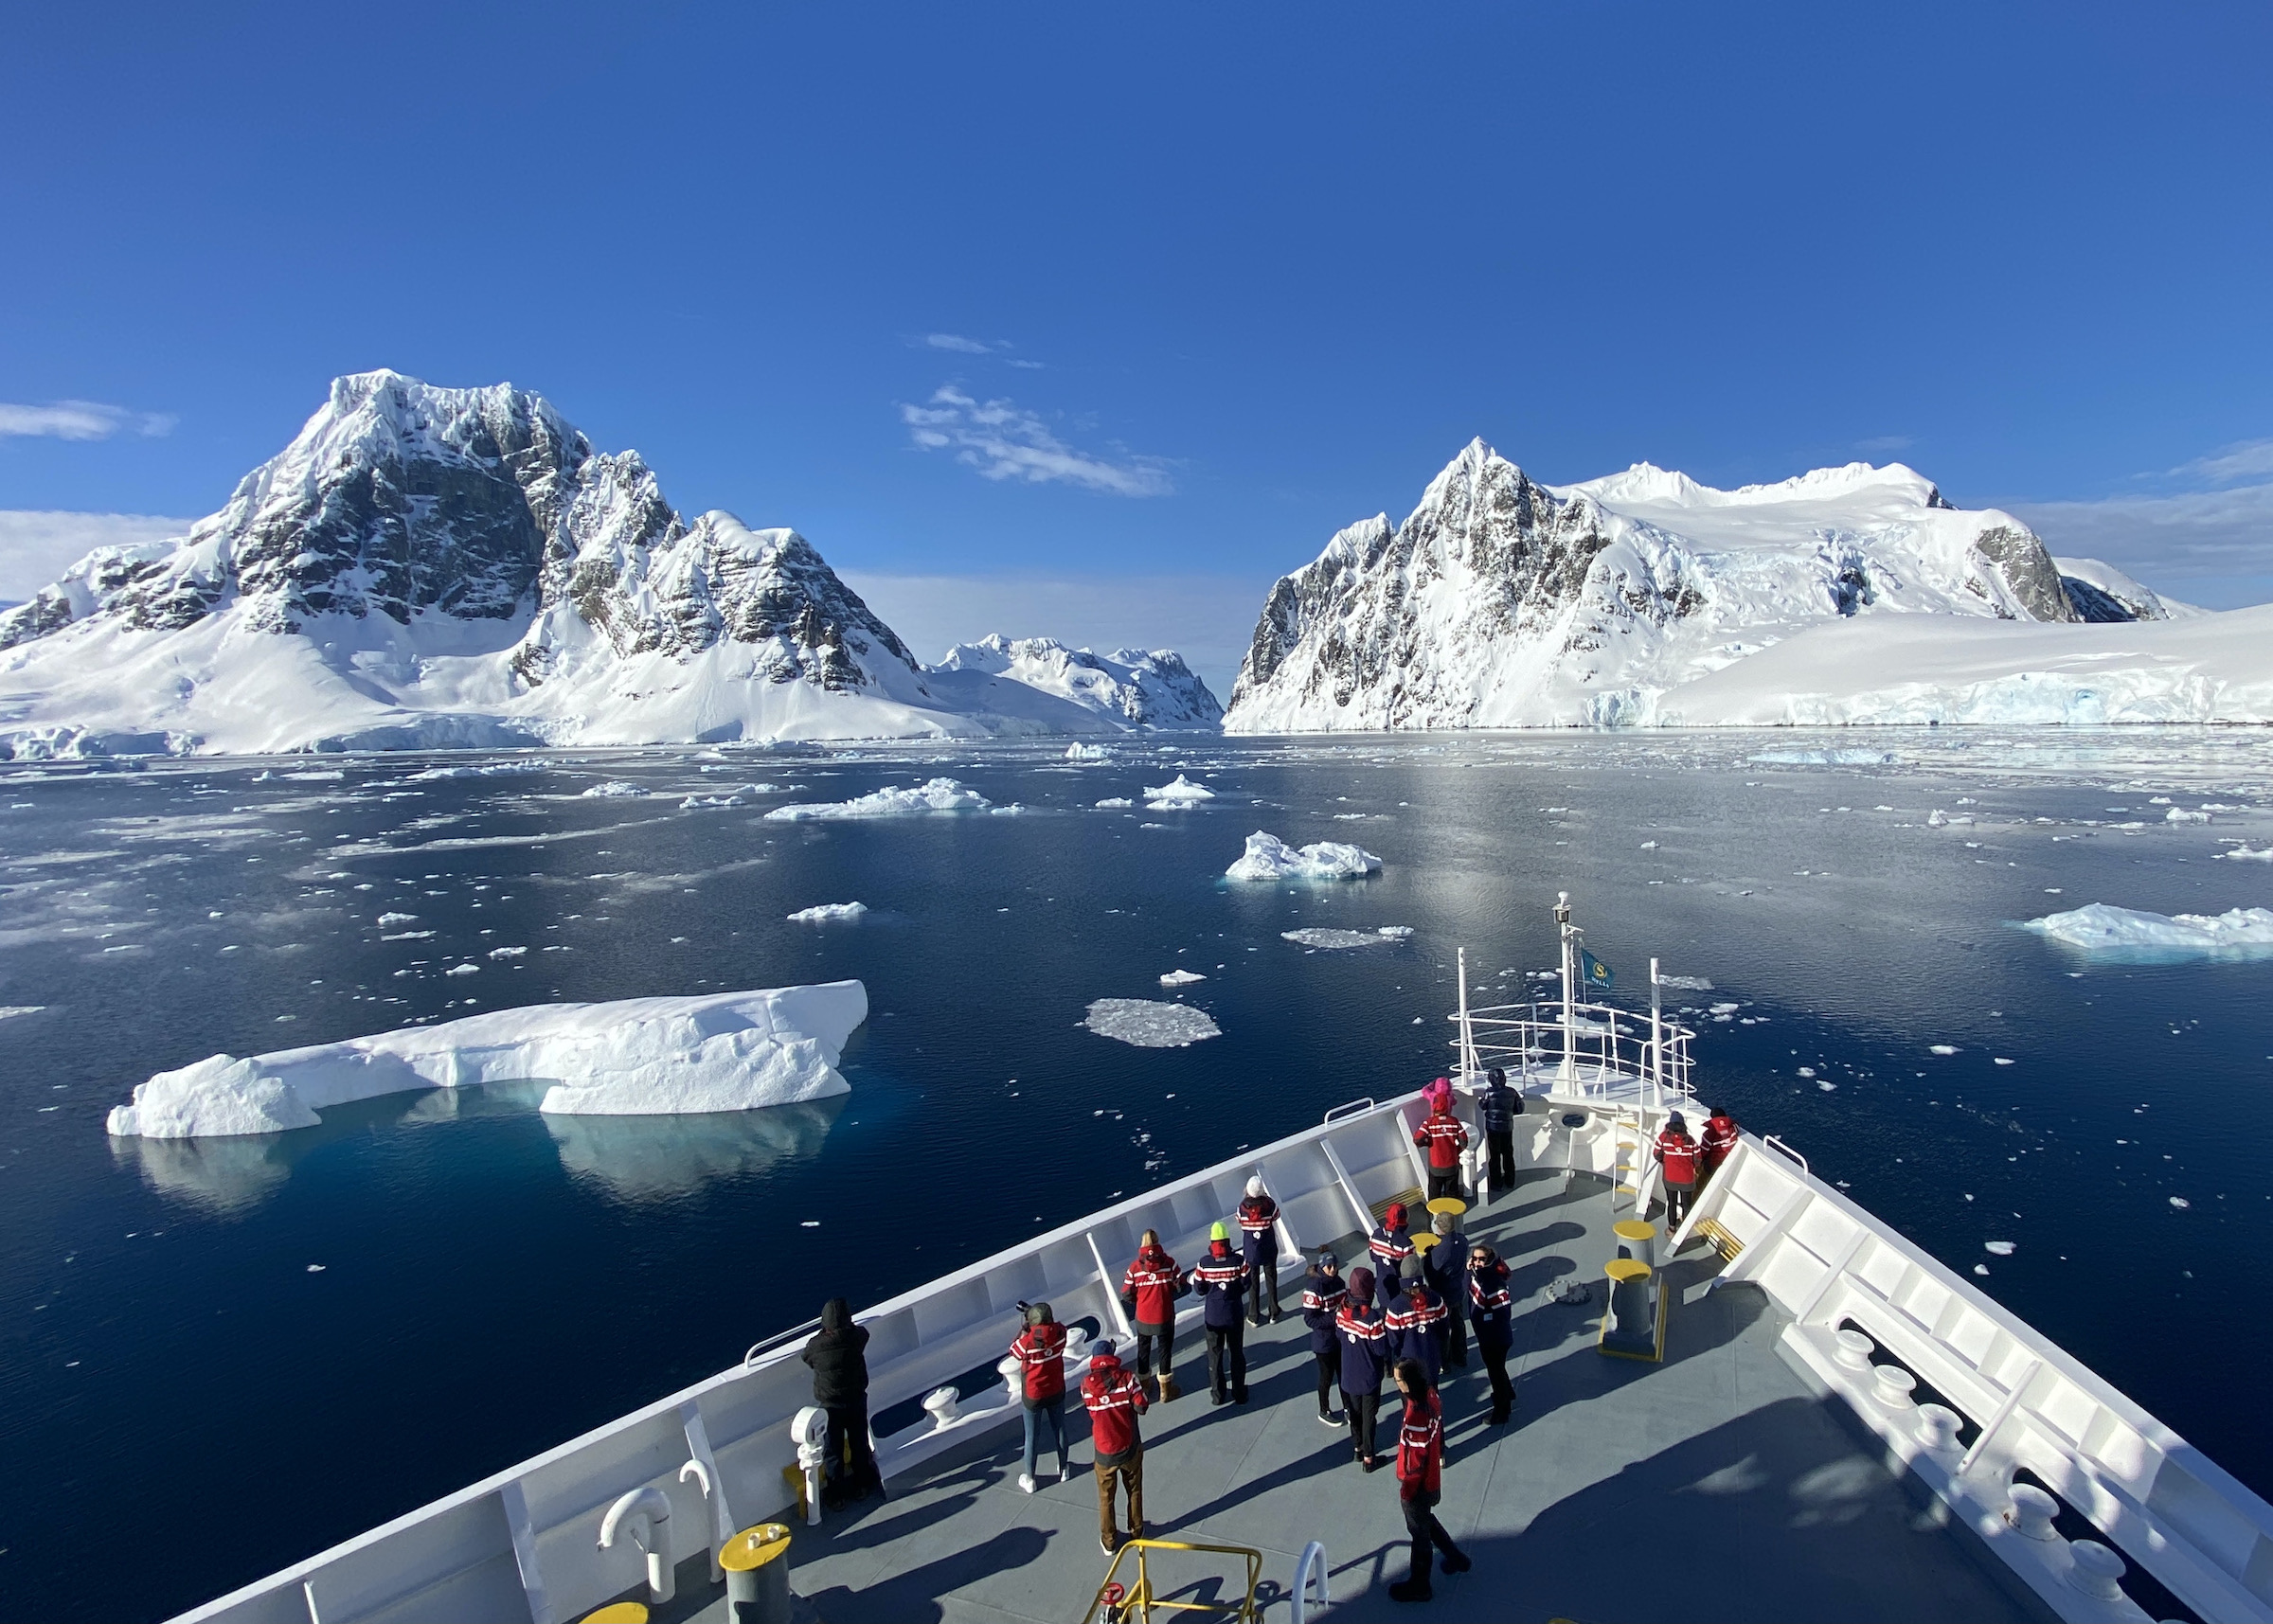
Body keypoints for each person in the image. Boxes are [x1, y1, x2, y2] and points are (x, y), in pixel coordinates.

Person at [1388, 1358, 1471, 1602]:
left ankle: (1420, 1585)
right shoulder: (1432, 1397)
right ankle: (1457, 1559)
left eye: (1399, 1380)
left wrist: (1407, 1491)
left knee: (1420, 1535)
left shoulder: (1415, 1417)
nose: (1396, 1384)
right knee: (1427, 1522)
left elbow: (1415, 1463)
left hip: (1418, 1487)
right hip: (1433, 1480)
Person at [801, 1296, 882, 1507]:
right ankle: (862, 1485)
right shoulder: (856, 1337)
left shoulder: (817, 1345)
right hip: (856, 1399)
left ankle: (836, 1496)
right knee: (859, 1443)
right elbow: (864, 1333)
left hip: (830, 1407)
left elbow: (806, 1357)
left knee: (833, 1450)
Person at [1081, 1337, 1149, 1555]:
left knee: (1105, 1498)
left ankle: (1109, 1541)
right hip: (1128, 1446)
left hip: (1104, 1451)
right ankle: (1136, 1531)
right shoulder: (1127, 1378)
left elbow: (1092, 1410)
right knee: (1134, 1490)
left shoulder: (1086, 1385)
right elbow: (1142, 1406)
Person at [1009, 1301, 1070, 1493]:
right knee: (1059, 1429)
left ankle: (1030, 1478)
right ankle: (1064, 1468)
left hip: (1034, 1394)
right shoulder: (1061, 1334)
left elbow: (1013, 1350)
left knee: (1032, 1436)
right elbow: (1056, 1329)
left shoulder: (1028, 1343)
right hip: (1056, 1389)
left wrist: (1025, 1329)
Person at [1187, 1221, 1250, 1404]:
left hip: (1213, 1317)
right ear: (1228, 1240)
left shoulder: (1204, 1263)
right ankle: (1239, 1393)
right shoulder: (1238, 1261)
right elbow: (1246, 1284)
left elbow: (1199, 1288)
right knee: (1236, 1353)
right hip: (1233, 1314)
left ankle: (1218, 1395)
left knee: (1215, 1356)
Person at [1335, 1265, 1389, 1471]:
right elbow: (1380, 1349)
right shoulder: (1373, 1319)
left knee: (1354, 1414)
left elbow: (1340, 1337)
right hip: (1369, 1377)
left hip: (1348, 1375)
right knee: (1369, 1417)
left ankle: (1357, 1448)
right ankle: (1369, 1456)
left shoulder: (1341, 1313)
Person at [1120, 1230, 1181, 1402]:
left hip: (1144, 1317)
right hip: (1164, 1315)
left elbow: (1126, 1293)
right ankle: (1165, 1391)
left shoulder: (1135, 1268)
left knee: (1143, 1350)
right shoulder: (1169, 1263)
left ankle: (1144, 1385)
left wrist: (1137, 1300)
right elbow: (1180, 1284)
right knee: (1165, 1351)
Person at [1468, 1242, 1514, 1424]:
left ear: (1489, 1261)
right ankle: (1508, 1393)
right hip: (1486, 1335)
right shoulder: (1478, 1277)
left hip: (1495, 1338)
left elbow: (1503, 1314)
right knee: (1497, 1368)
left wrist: (1486, 1324)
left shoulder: (1494, 1284)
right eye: (1474, 1258)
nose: (1477, 1262)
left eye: (1481, 1259)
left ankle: (1501, 1412)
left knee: (1495, 1372)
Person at [1301, 1249, 1348, 1425]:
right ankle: (1324, 1409)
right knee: (1326, 1377)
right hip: (1324, 1343)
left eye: (1335, 1266)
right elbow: (1310, 1319)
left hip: (1340, 1338)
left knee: (1344, 1374)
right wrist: (1335, 1318)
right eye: (1328, 1266)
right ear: (1322, 1266)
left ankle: (1348, 1407)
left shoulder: (1340, 1283)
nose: (1332, 1269)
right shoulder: (1314, 1288)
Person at [1421, 1211, 1471, 1369]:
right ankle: (1461, 1356)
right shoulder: (1463, 1241)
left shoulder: (1438, 1251)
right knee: (1458, 1324)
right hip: (1458, 1289)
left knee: (1443, 1330)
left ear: (1439, 1228)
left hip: (1443, 1295)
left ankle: (1445, 1362)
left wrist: (1428, 1256)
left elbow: (1432, 1275)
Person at [1387, 1254, 1444, 1383]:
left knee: (1410, 1398)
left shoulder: (1395, 1307)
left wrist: (1397, 1360)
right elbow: (1443, 1329)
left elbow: (1394, 1341)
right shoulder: (1435, 1299)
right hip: (1431, 1355)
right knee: (1432, 1391)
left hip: (1408, 1361)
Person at [1237, 1176, 1282, 1325]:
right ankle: (1274, 1312)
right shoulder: (1269, 1205)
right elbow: (1276, 1215)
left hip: (1251, 1251)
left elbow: (1239, 1220)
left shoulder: (1242, 1207)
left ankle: (1254, 1315)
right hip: (1268, 1248)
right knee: (1271, 1279)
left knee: (1253, 1282)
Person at [1413, 1086, 1470, 1203]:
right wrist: (1457, 1150)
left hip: (1436, 1166)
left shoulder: (1429, 1123)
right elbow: (1464, 1142)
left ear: (1434, 1106)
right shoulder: (1454, 1122)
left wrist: (1428, 1143)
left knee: (1434, 1195)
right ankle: (1452, 1218)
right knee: (1452, 1195)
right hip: (1452, 1165)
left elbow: (1417, 1139)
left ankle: (1435, 1218)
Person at [1478, 1066, 1521, 1194]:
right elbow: (1519, 1109)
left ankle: (1496, 1184)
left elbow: (1482, 1106)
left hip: (1492, 1127)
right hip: (1507, 1126)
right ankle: (1510, 1181)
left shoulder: (1489, 1092)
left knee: (1495, 1155)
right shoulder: (1512, 1092)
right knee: (1508, 1154)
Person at [1656, 1111, 1701, 1232]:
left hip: (1670, 1178)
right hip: (1687, 1179)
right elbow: (1698, 1159)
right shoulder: (1690, 1140)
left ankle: (1672, 1229)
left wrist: (1665, 1162)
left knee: (1672, 1203)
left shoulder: (1664, 1138)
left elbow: (1656, 1154)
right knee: (1686, 1205)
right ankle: (1684, 1230)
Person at [1369, 1201, 1414, 1280]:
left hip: (1382, 1282)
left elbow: (1373, 1257)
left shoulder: (1375, 1235)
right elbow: (1410, 1269)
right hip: (1399, 1284)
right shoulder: (1406, 1243)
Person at [1699, 1107, 1741, 1188]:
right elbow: (1736, 1125)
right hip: (1726, 1158)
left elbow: (1703, 1151)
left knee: (1702, 1175)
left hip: (1713, 1162)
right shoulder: (1733, 1128)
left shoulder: (1709, 1133)